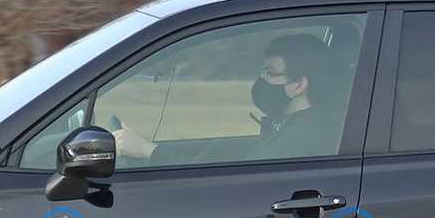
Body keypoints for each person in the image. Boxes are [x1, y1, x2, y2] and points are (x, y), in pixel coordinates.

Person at [112, 34, 343, 163]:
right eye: (262, 72)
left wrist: (148, 151)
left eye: (270, 73)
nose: (262, 80)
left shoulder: (304, 139)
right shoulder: (291, 126)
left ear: (299, 85)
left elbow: (232, 185)